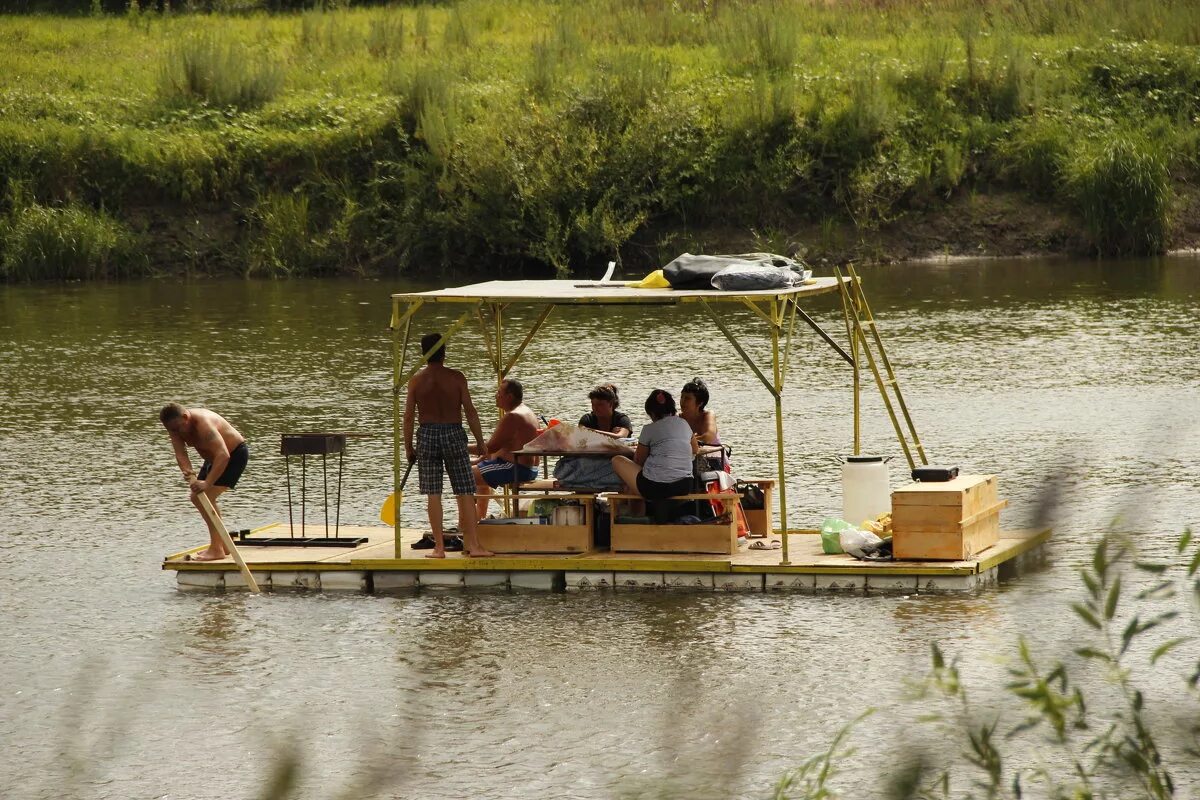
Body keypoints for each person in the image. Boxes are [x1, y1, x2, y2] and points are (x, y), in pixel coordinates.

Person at [404, 332, 493, 558]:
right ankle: (473, 545)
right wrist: (481, 441)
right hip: (453, 432)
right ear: (444, 351)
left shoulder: (416, 380)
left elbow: (408, 417)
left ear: (424, 354)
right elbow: (470, 411)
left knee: (433, 493)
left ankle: (439, 548)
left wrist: (408, 448)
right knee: (464, 490)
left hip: (427, 434)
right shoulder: (456, 377)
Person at [160, 403, 249, 562]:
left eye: (178, 429)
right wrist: (189, 472)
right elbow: (181, 454)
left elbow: (223, 455)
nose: (175, 433)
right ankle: (224, 544)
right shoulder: (175, 429)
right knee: (198, 497)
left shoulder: (203, 424)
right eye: (171, 430)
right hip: (213, 459)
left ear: (186, 418)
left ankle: (217, 549)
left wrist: (207, 483)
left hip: (233, 455)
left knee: (203, 497)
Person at [611, 388, 698, 504]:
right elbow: (695, 449)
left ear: (652, 413)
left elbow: (639, 460)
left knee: (617, 460)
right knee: (635, 480)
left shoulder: (649, 429)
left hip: (656, 488)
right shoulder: (683, 423)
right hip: (685, 485)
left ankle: (631, 513)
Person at [472, 378, 541, 518]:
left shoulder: (513, 416)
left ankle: (466, 525)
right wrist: (480, 459)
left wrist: (458, 447)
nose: (496, 396)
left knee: (462, 475)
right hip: (529, 468)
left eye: (499, 392)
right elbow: (500, 447)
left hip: (516, 469)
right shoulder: (527, 411)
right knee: (476, 468)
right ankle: (480, 519)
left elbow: (489, 447)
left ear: (509, 396)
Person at [680, 377, 729, 472]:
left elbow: (708, 437)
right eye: (682, 397)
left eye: (687, 398)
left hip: (715, 461)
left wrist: (681, 443)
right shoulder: (678, 419)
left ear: (700, 403)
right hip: (690, 460)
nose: (682, 401)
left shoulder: (708, 415)